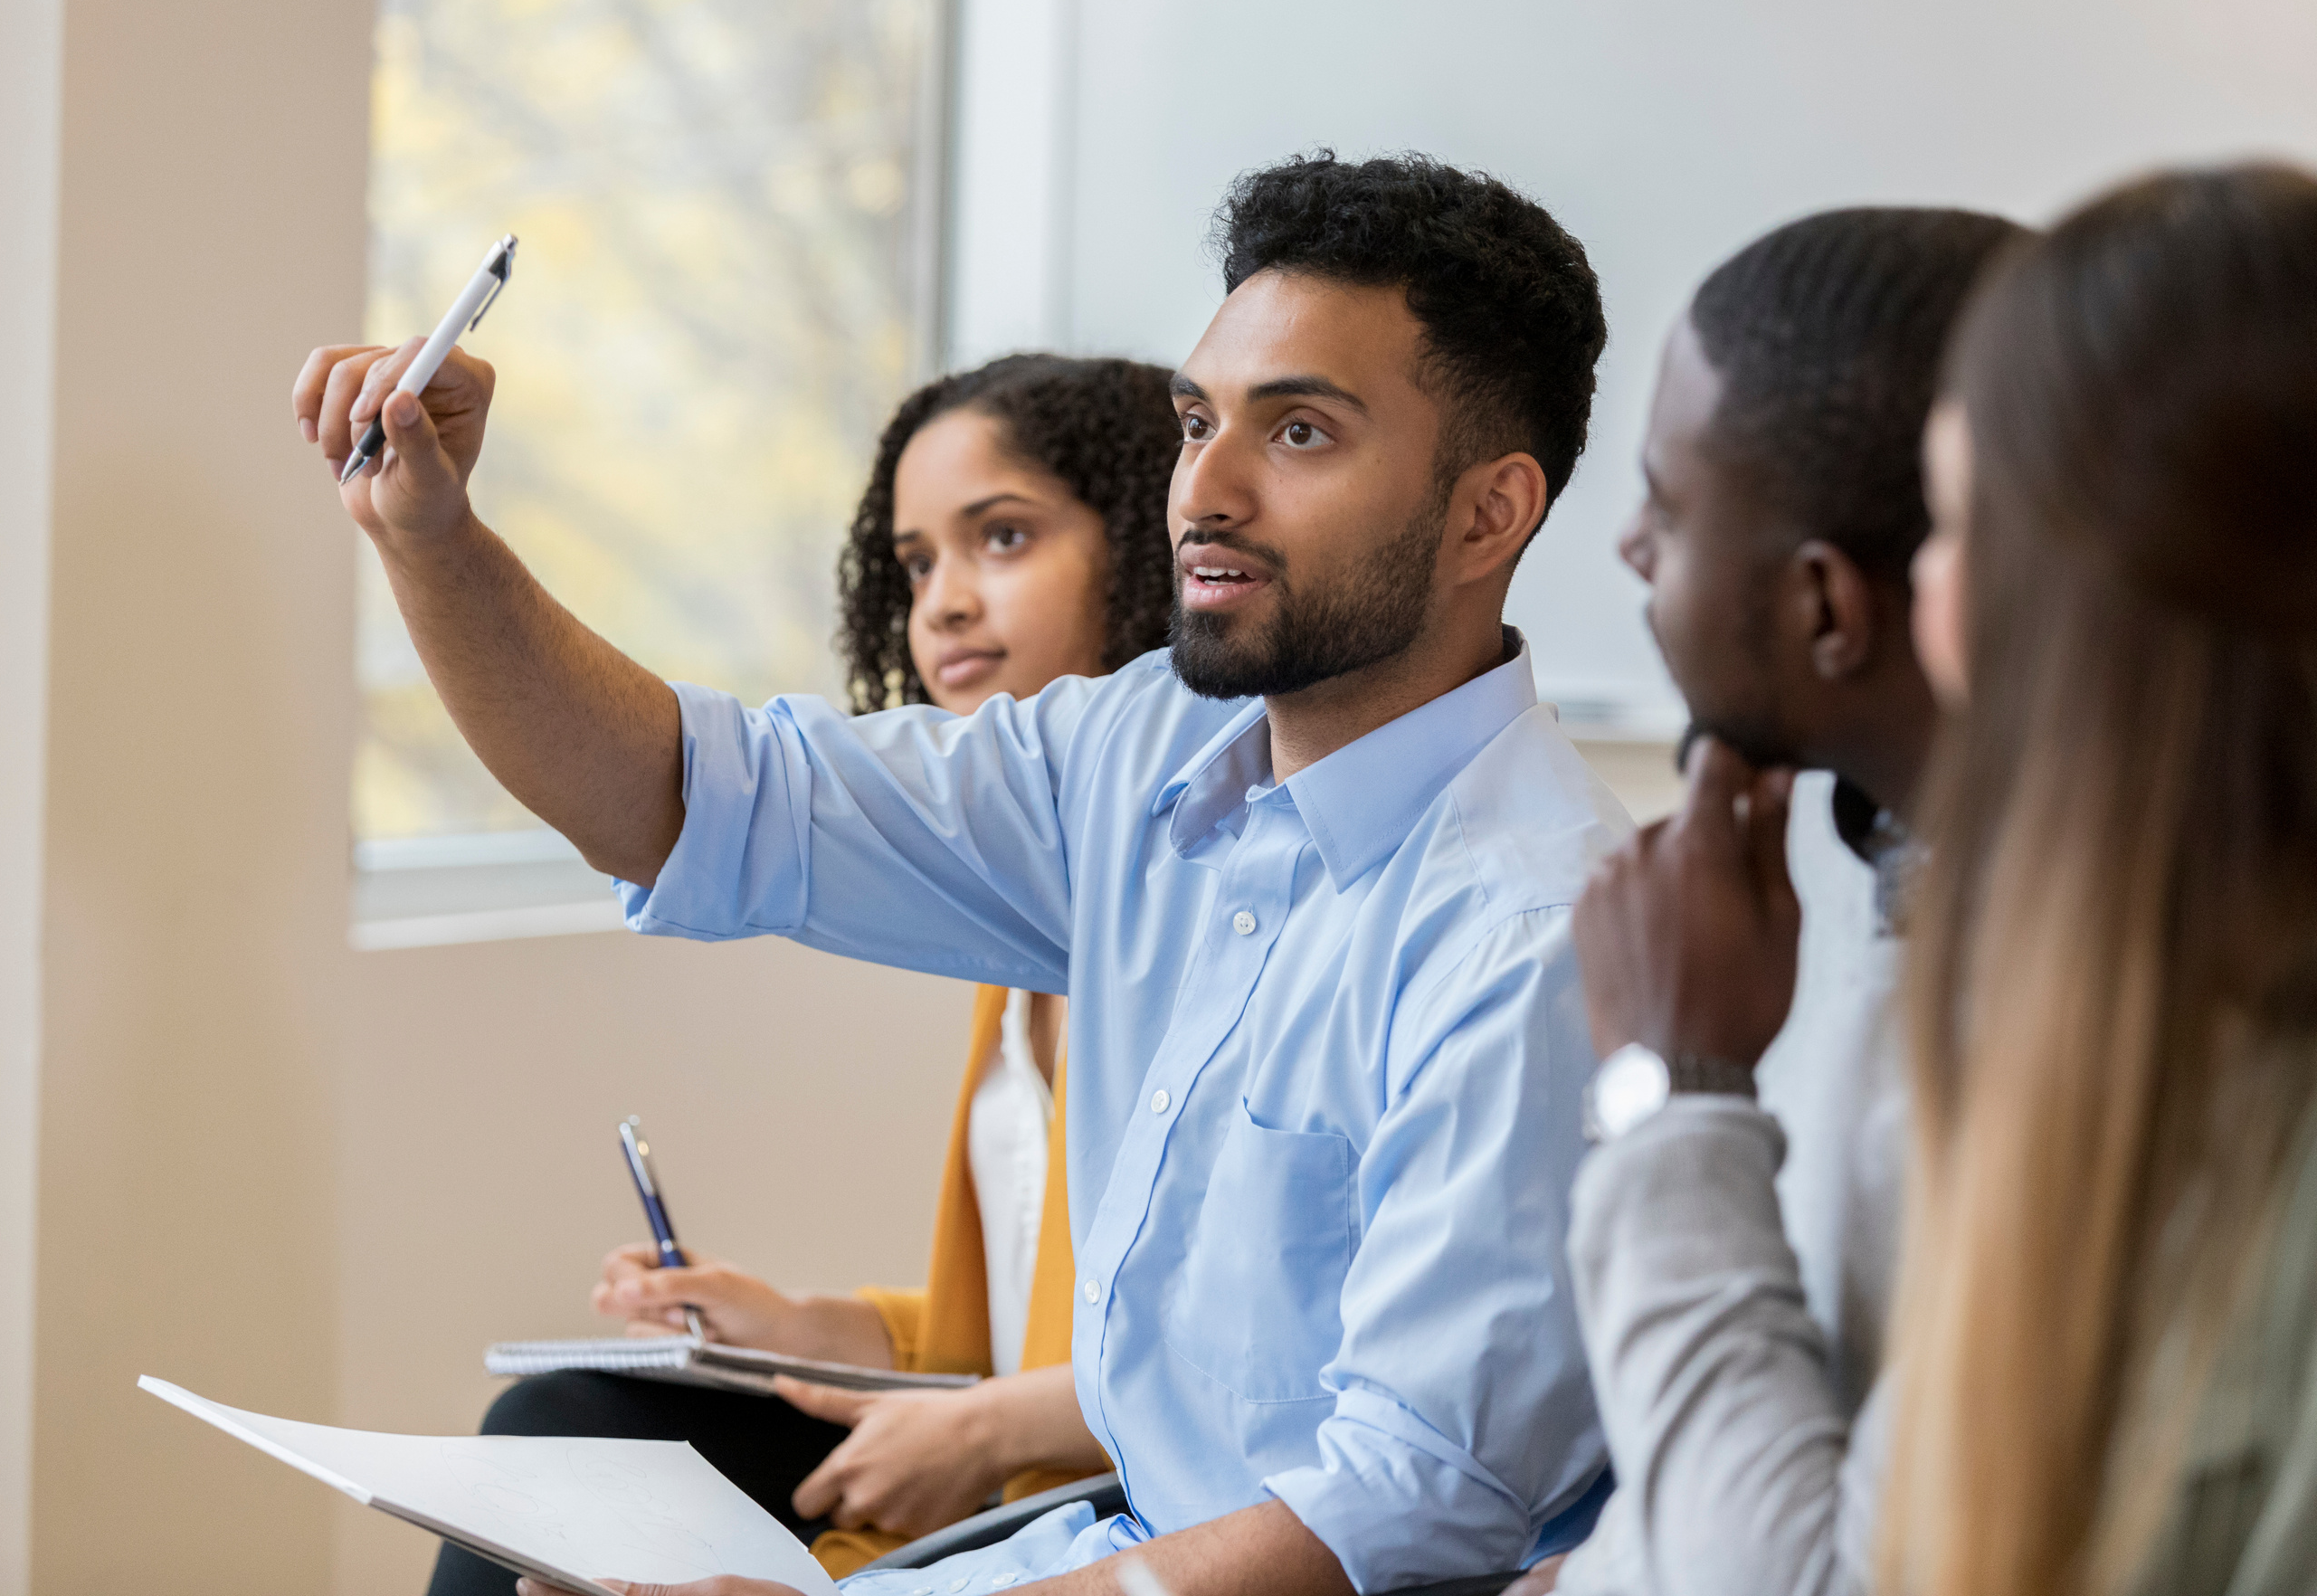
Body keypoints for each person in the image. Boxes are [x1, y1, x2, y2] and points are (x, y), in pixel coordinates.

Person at [295, 150, 1625, 1596]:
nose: (1207, 492)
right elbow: (692, 799)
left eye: (1299, 434)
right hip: (1105, 1545)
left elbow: (1404, 1508)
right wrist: (431, 540)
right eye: (1197, 422)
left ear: (1491, 514)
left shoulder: (1534, 930)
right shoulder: (1137, 752)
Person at [1562, 162, 2317, 1596]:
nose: (1935, 593)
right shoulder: (1815, 870)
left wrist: (1670, 1092)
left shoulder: (2163, 1076)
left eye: (1963, 524)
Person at [423, 354, 1179, 1596]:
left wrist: (990, 1429)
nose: (940, 603)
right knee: (554, 1434)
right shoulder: (1013, 930)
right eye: (918, 563)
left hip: (1116, 1496)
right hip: (1011, 1445)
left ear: (1155, 547)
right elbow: (996, 1330)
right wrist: (791, 1326)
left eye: (1000, 538)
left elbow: (1246, 1362)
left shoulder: (1209, 916)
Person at [1513, 206, 2023, 1596]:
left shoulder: (2085, 1020)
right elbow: (1748, 1437)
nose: (1626, 547)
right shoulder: (1809, 853)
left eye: (1668, 511)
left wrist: (1671, 1088)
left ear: (1825, 609)